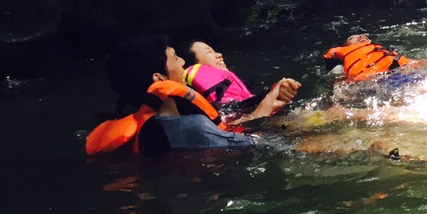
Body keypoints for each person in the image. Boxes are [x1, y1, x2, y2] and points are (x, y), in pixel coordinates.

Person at [86, 36, 296, 156]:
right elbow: (257, 145)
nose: (183, 64)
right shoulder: (188, 127)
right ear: (159, 78)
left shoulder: (149, 129)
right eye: (175, 58)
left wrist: (266, 103)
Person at [184, 39, 301, 116]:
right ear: (195, 66)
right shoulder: (217, 102)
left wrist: (276, 91)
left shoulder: (226, 93)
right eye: (209, 52)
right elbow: (239, 108)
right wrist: (273, 92)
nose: (219, 54)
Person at [323, 34, 427, 81]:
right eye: (352, 38)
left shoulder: (380, 50)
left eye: (362, 35)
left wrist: (420, 63)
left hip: (401, 72)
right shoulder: (343, 58)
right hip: (375, 80)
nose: (360, 36)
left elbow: (407, 62)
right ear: (345, 47)